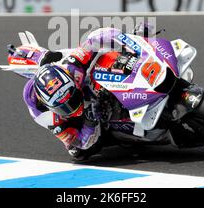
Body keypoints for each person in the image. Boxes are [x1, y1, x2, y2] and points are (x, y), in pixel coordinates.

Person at [18, 27, 133, 160]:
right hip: (78, 123)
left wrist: (125, 38)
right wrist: (90, 120)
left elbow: (93, 40)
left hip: (72, 74)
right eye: (64, 107)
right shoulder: (49, 118)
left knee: (104, 53)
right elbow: (81, 142)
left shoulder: (72, 67)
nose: (73, 108)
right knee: (78, 152)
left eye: (72, 99)